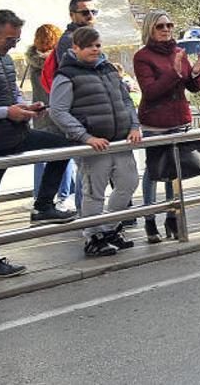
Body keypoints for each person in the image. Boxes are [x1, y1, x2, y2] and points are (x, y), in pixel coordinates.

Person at [0, 10, 77, 278]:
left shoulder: (4, 58)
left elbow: (10, 95)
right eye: (10, 39)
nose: (14, 45)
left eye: (17, 40)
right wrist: (6, 112)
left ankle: (43, 206)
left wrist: (26, 107)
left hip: (15, 134)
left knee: (63, 147)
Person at [48, 27, 142, 257]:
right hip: (94, 145)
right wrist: (85, 137)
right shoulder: (66, 74)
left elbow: (126, 100)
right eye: (89, 46)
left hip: (120, 140)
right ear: (75, 49)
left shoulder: (109, 69)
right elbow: (58, 111)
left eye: (97, 45)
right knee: (93, 192)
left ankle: (109, 228)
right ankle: (93, 236)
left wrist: (134, 125)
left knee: (129, 183)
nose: (95, 49)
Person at [133, 10, 200, 242]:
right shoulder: (142, 56)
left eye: (169, 25)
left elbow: (192, 88)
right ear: (150, 29)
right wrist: (175, 73)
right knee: (155, 171)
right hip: (156, 121)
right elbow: (151, 92)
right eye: (160, 26)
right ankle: (149, 219)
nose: (166, 29)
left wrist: (195, 73)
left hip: (179, 119)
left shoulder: (179, 52)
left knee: (174, 172)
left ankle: (172, 217)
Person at [25, 24, 77, 208]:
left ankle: (39, 193)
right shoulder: (56, 62)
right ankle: (65, 194)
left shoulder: (31, 62)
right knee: (64, 153)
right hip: (56, 110)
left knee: (41, 157)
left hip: (39, 113)